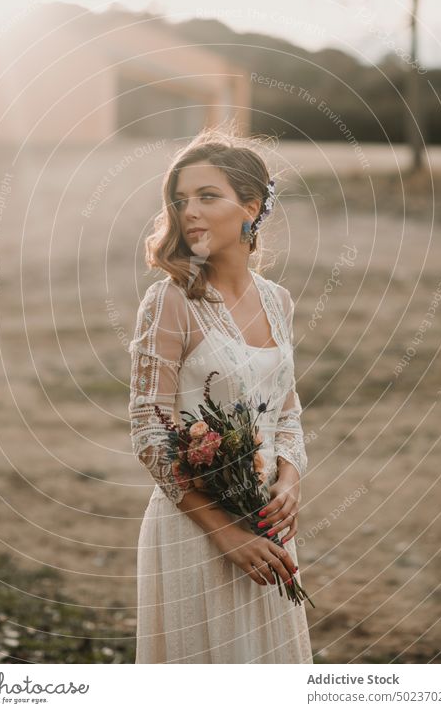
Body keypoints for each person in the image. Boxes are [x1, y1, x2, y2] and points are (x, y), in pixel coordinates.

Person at [127, 125, 313, 664]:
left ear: (250, 207)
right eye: (181, 200)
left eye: (208, 197)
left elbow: (287, 412)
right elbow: (148, 428)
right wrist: (227, 534)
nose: (190, 212)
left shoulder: (278, 301)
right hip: (195, 530)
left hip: (268, 530)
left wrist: (290, 481)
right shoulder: (171, 301)